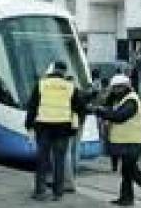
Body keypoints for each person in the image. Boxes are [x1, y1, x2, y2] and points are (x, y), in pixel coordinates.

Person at [92, 75, 141, 206]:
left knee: (130, 169)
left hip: (134, 141)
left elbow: (120, 116)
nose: (115, 91)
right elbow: (107, 106)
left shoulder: (131, 100)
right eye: (114, 88)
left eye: (118, 88)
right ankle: (126, 198)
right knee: (126, 170)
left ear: (125, 87)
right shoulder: (120, 99)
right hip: (126, 141)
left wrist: (100, 112)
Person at [25, 61, 84, 202]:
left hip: (43, 127)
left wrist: (29, 125)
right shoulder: (70, 87)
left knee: (42, 159)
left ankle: (40, 191)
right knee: (59, 160)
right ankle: (58, 192)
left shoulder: (41, 84)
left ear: (52, 70)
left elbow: (32, 106)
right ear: (64, 72)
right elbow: (80, 108)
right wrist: (74, 126)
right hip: (63, 128)